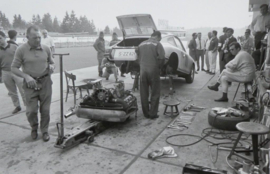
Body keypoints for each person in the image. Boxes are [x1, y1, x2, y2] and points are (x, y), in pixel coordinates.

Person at [11, 25, 55, 142]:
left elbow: (52, 62)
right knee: (31, 111)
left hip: (45, 82)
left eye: (39, 37)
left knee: (45, 110)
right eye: (35, 38)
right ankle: (34, 128)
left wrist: (51, 66)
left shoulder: (46, 48)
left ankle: (44, 130)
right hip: (30, 85)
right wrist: (26, 76)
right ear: (27, 37)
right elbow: (14, 68)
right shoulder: (21, 50)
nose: (38, 40)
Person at [137, 31, 165, 119]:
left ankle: (146, 113)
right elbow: (162, 58)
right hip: (153, 70)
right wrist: (159, 67)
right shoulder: (157, 44)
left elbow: (136, 58)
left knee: (144, 92)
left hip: (143, 71)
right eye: (160, 38)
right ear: (158, 36)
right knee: (155, 92)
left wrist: (142, 65)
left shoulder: (141, 44)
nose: (160, 40)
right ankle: (153, 114)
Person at [0, 31, 26, 114]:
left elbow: (23, 59)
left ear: (4, 37)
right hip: (5, 72)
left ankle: (28, 105)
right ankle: (17, 106)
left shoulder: (14, 47)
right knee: (12, 92)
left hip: (17, 71)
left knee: (23, 90)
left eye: (0, 38)